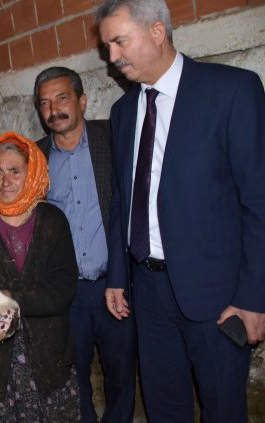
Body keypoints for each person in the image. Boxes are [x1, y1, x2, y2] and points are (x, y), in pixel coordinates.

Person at [96, 1, 265, 422]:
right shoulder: (122, 112)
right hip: (147, 292)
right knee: (163, 407)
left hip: (217, 295)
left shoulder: (232, 91)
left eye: (119, 42)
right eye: (107, 46)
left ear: (157, 32)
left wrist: (253, 298)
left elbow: (259, 202)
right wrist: (117, 275)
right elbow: (121, 200)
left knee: (223, 409)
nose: (112, 57)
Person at [34, 66, 137, 423]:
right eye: (44, 103)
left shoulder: (112, 139)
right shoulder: (35, 159)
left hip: (115, 284)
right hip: (66, 292)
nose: (53, 110)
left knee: (121, 371)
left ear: (82, 101)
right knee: (72, 375)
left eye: (62, 98)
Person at [0, 132, 80, 422]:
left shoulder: (53, 221)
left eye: (15, 171)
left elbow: (63, 286)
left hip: (46, 351)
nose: (5, 181)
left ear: (32, 172)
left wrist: (11, 298)